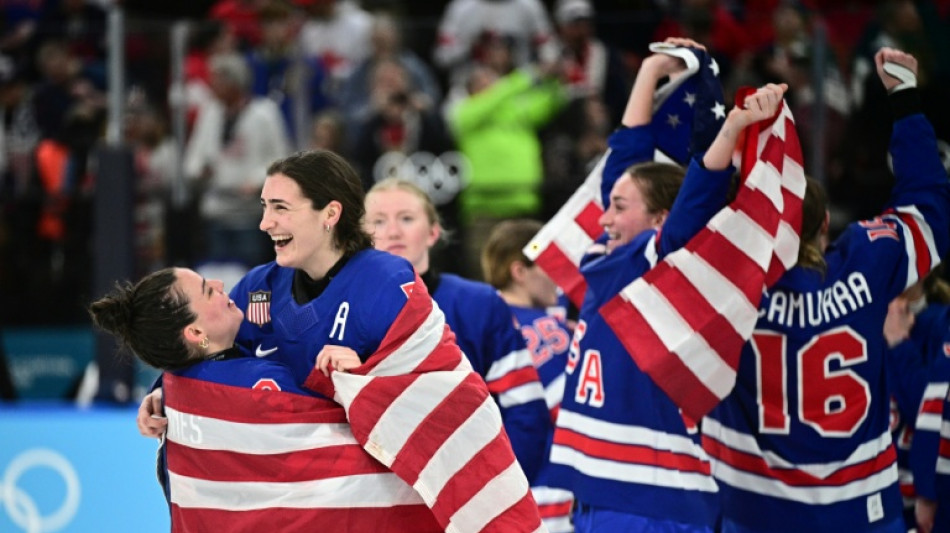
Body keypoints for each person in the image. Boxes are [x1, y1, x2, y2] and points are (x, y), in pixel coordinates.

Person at [138, 149, 544, 531]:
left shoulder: (387, 283)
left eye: (280, 208)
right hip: (298, 509)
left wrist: (365, 383)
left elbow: (439, 395)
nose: (265, 223)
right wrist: (170, 389)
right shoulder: (258, 288)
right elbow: (218, 364)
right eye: (264, 207)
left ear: (330, 213)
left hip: (376, 509)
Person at [702, 48, 950, 533]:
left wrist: (729, 132)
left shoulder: (726, 281)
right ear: (822, 231)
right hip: (863, 513)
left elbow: (683, 226)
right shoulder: (866, 259)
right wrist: (904, 99)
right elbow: (929, 204)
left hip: (755, 512)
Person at [546, 37, 788, 531]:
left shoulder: (663, 264)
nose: (606, 215)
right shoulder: (607, 256)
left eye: (619, 206)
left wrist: (735, 126)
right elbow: (626, 151)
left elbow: (701, 189)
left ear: (659, 219)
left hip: (651, 497)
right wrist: (652, 69)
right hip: (601, 488)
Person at [92, 266, 444, 531]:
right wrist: (356, 375)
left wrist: (158, 390)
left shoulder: (177, 388)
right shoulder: (258, 385)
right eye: (206, 290)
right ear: (196, 333)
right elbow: (355, 427)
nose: (218, 284)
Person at [364, 177, 552, 484]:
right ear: (361, 235)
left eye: (407, 218)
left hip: (471, 489)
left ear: (433, 232)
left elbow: (525, 409)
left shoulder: (479, 303)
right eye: (379, 222)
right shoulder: (341, 310)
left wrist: (500, 490)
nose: (394, 231)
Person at [482, 218, 575, 533]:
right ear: (519, 272)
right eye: (549, 265)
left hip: (495, 494)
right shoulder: (550, 329)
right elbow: (574, 414)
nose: (558, 280)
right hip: (553, 489)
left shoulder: (474, 325)